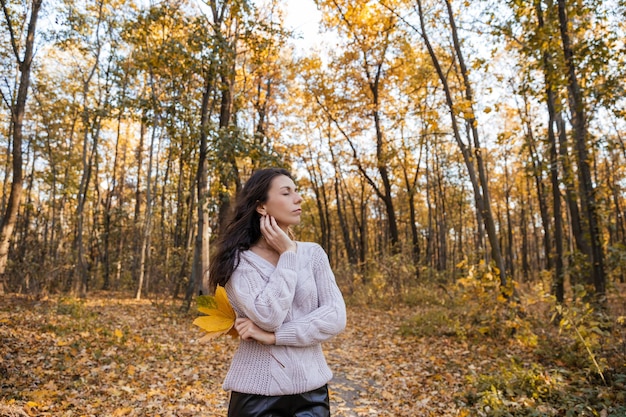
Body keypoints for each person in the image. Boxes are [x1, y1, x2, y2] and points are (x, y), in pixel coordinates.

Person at [209, 167, 347, 417]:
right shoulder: (239, 262)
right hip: (255, 396)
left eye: (297, 191)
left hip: (312, 393)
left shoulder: (314, 254)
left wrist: (274, 337)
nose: (298, 198)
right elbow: (268, 316)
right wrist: (287, 255)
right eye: (286, 193)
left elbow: (335, 316)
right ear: (261, 206)